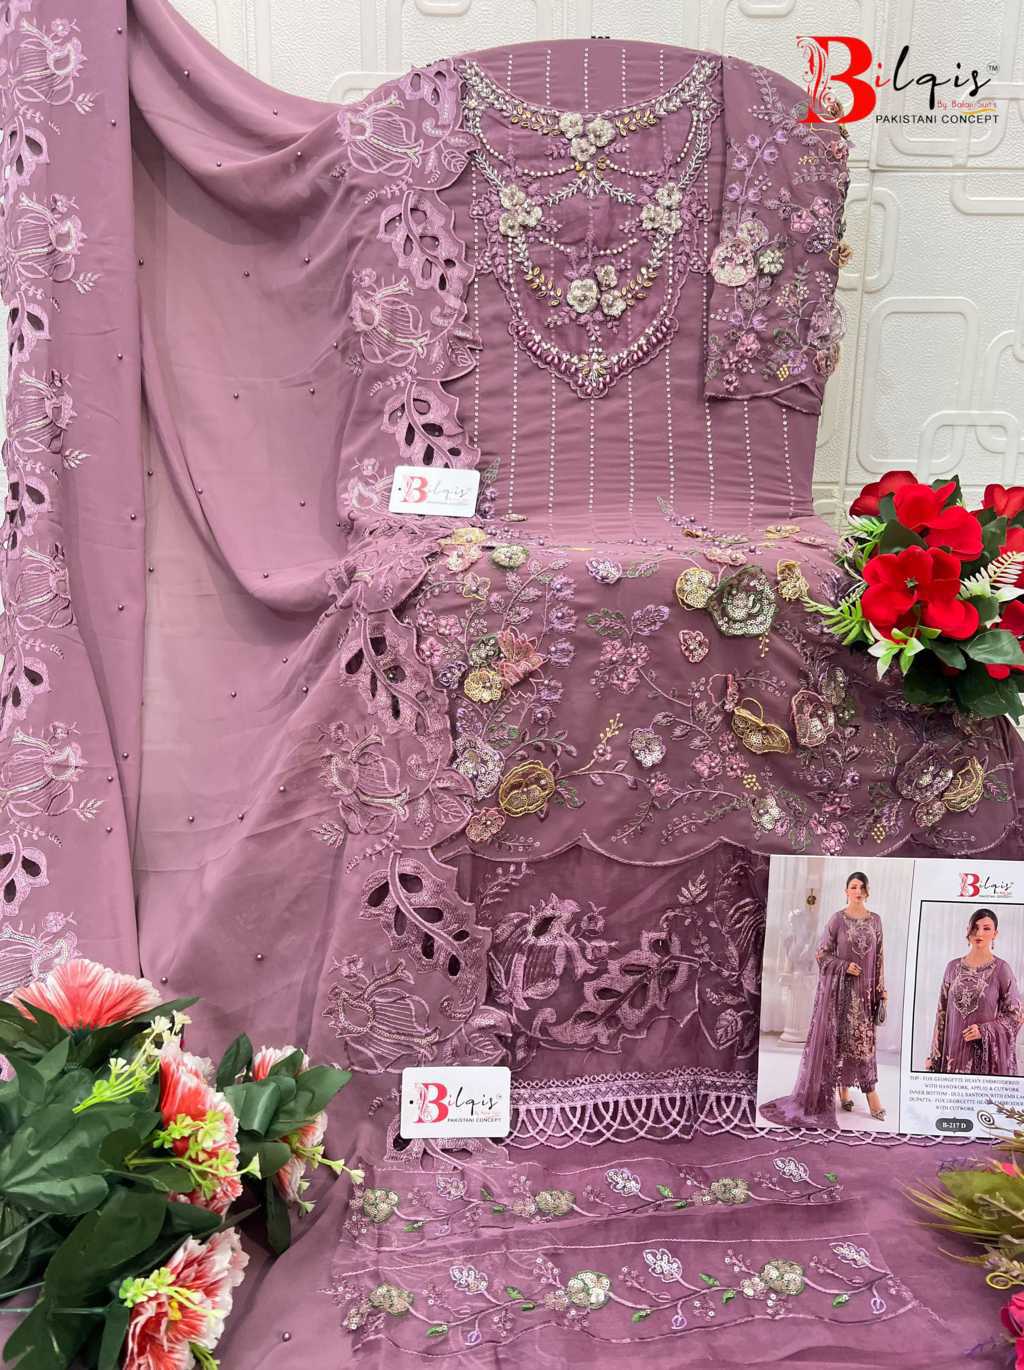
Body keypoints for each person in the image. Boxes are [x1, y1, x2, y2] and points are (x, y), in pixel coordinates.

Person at [760, 872, 887, 1128]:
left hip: (864, 993)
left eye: (862, 887)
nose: (858, 891)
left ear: (867, 891)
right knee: (838, 1042)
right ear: (846, 891)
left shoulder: (876, 921)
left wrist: (881, 990)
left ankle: (870, 1093)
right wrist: (845, 966)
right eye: (853, 886)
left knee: (863, 1043)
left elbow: (880, 957)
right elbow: (822, 954)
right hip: (839, 993)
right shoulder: (837, 920)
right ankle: (844, 1091)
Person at [925, 910, 1023, 1076]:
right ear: (967, 930)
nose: (979, 933)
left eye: (986, 928)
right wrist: (934, 1057)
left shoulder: (1002, 969)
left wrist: (984, 1031)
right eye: (975, 927)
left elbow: (1016, 1015)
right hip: (953, 1053)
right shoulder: (952, 968)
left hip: (984, 1059)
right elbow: (941, 1014)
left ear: (995, 934)